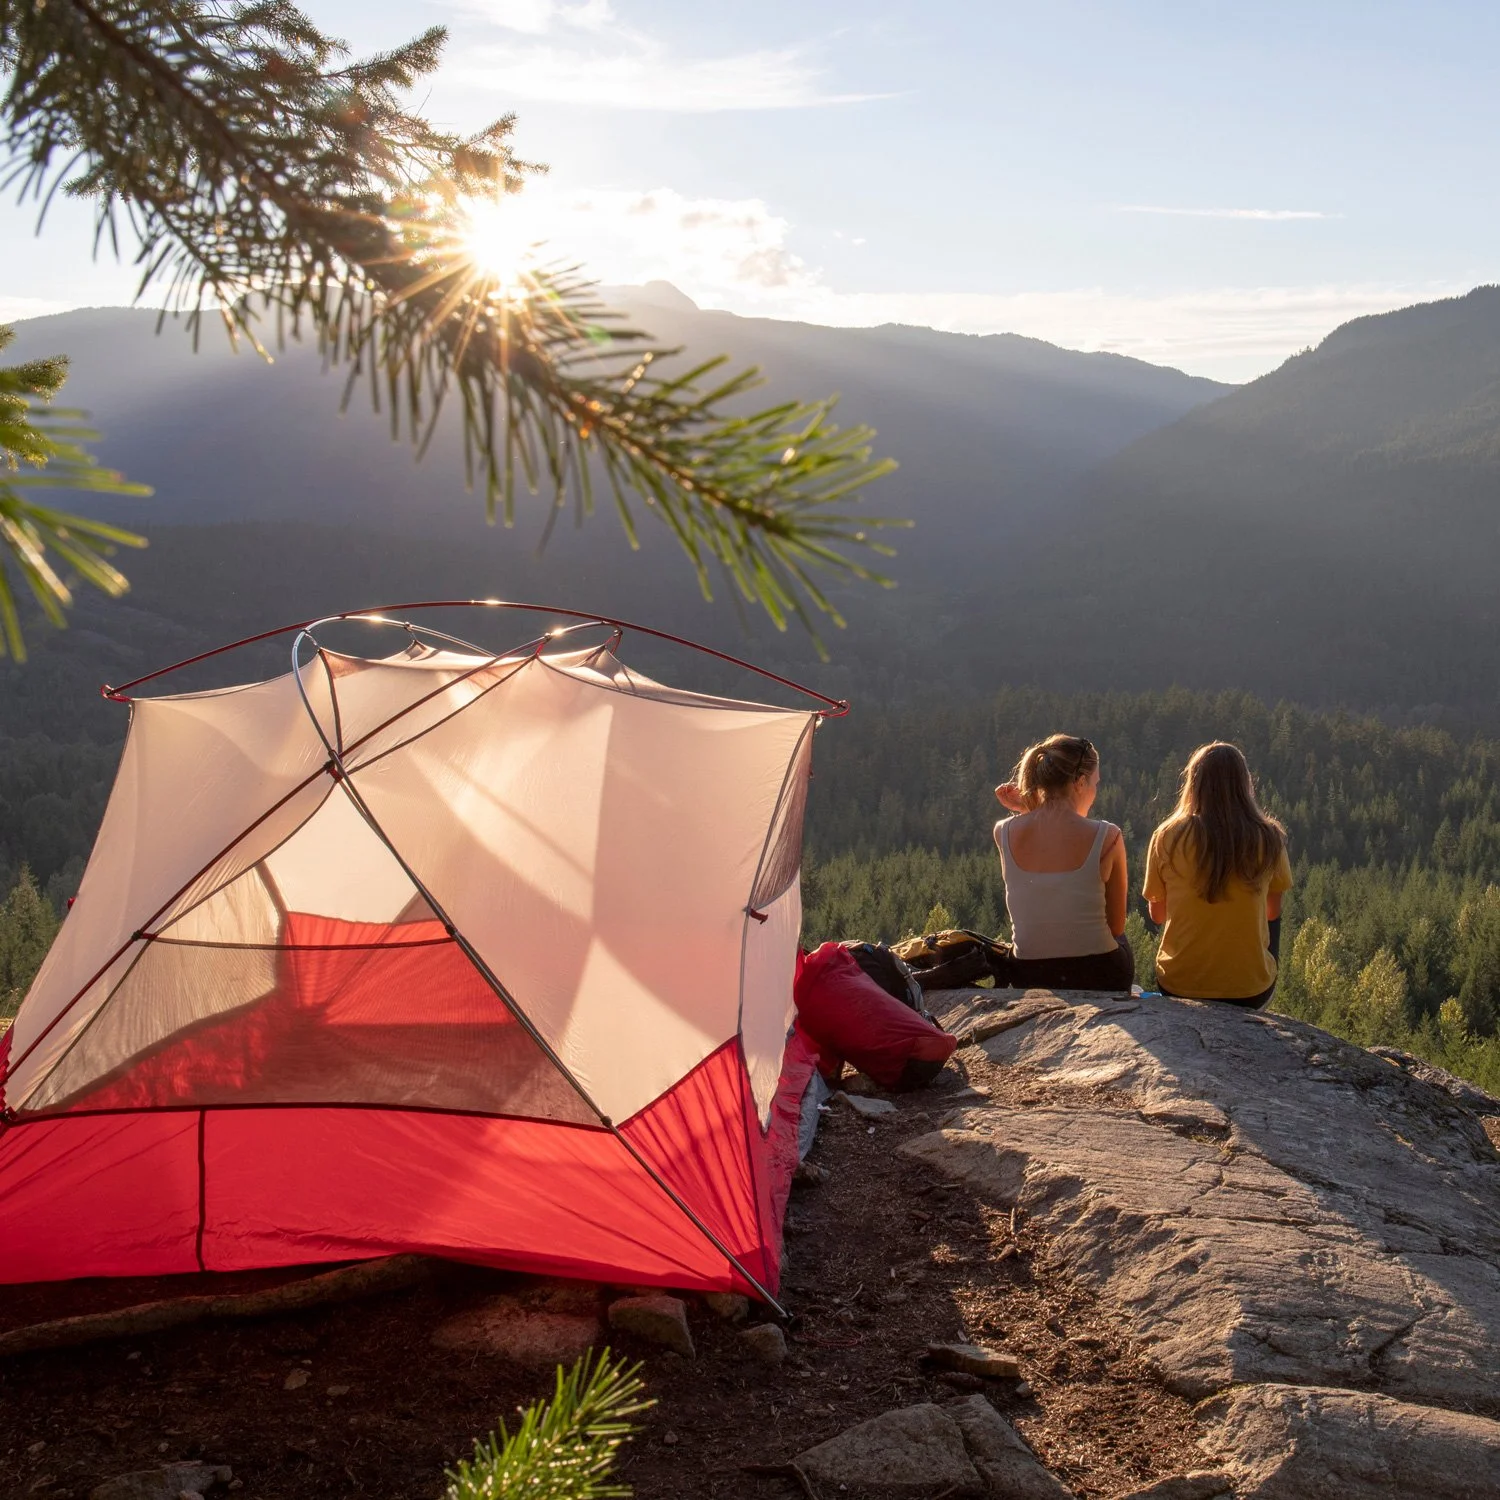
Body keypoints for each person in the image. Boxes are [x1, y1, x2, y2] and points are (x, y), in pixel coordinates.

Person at [1143, 742, 1291, 1009]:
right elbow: (1272, 912)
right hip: (1250, 993)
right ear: (1245, 784)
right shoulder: (1269, 837)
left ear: (1193, 783)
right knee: (1272, 924)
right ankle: (1251, 972)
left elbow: (1157, 915)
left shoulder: (1166, 837)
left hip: (1179, 986)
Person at [992, 734, 1133, 991]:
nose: (1095, 793)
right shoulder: (1108, 837)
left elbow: (1048, 832)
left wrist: (1028, 806)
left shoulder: (1003, 832)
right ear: (1080, 783)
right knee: (1121, 937)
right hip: (1100, 975)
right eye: (1095, 784)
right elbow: (1116, 925)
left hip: (1027, 974)